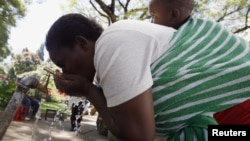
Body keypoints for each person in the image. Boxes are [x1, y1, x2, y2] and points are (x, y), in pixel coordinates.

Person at [44, 13, 250, 141]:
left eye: (63, 63)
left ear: (81, 43)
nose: (64, 72)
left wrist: (87, 90)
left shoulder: (110, 43)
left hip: (240, 111)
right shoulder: (107, 72)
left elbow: (139, 136)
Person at [149, 0, 250, 126]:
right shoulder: (175, 43)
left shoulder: (207, 30)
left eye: (153, 16)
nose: (151, 22)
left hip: (238, 103)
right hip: (219, 108)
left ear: (173, 15)